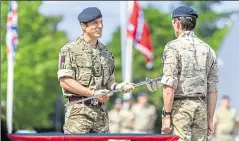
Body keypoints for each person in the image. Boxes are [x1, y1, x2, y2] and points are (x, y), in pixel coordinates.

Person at [57, 7, 134, 134]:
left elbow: (110, 82)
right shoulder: (69, 50)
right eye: (95, 23)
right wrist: (92, 93)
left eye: (101, 22)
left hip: (101, 114)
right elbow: (65, 81)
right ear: (83, 26)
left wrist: (120, 86)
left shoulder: (106, 53)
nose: (100, 26)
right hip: (79, 113)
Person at [160, 6, 219, 141]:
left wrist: (167, 116)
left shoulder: (172, 47)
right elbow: (213, 89)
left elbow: (169, 85)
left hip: (180, 109)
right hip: (201, 108)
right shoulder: (208, 49)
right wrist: (210, 118)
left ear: (177, 23)